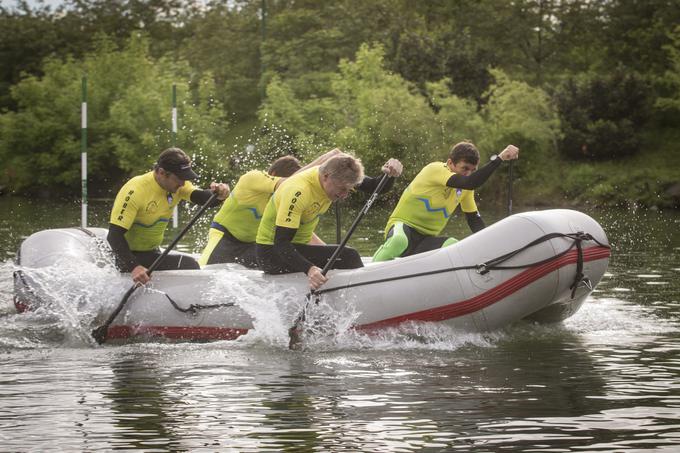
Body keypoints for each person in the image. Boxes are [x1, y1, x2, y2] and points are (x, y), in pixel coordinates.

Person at [256, 153, 403, 290]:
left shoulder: (340, 175)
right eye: (342, 189)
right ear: (325, 177)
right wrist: (310, 269)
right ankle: (366, 295)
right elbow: (281, 244)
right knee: (348, 256)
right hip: (272, 253)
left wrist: (389, 174)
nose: (345, 195)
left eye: (349, 190)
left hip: (297, 248)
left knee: (344, 254)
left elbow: (376, 187)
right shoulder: (298, 191)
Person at [372, 141, 519, 262]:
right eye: (464, 168)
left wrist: (496, 247)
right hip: (402, 228)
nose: (468, 173)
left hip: (426, 240)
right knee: (399, 241)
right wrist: (499, 158)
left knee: (454, 246)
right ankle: (366, 273)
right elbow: (470, 182)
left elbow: (474, 221)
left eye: (473, 170)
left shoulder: (466, 189)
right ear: (450, 163)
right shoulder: (435, 169)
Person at [108, 147, 230, 284]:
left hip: (153, 254)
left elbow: (202, 198)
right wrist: (134, 267)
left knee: (189, 265)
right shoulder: (135, 191)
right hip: (127, 258)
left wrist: (219, 195)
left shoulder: (177, 186)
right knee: (189, 265)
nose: (183, 183)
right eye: (179, 178)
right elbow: (114, 236)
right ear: (161, 173)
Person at [199, 150, 340, 268]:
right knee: (205, 272)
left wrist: (334, 256)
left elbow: (308, 236)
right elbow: (288, 184)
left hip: (252, 245)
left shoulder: (282, 200)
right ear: (272, 174)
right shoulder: (252, 178)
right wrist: (323, 160)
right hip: (224, 238)